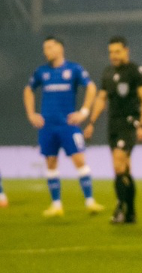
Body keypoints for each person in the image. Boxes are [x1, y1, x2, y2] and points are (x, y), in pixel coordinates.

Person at [24, 36, 102, 217]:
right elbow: (28, 90)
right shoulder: (41, 72)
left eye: (50, 47)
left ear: (60, 48)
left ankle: (90, 201)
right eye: (44, 48)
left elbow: (91, 87)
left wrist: (83, 111)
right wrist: (31, 113)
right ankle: (56, 205)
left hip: (69, 125)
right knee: (50, 162)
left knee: (79, 160)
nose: (46, 51)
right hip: (48, 126)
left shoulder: (74, 69)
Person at [85, 36, 142, 224]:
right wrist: (92, 122)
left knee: (118, 164)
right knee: (124, 170)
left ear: (126, 51)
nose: (113, 55)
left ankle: (120, 208)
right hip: (113, 125)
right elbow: (101, 98)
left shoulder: (136, 71)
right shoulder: (107, 73)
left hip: (129, 123)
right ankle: (131, 212)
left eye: (117, 51)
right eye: (111, 52)